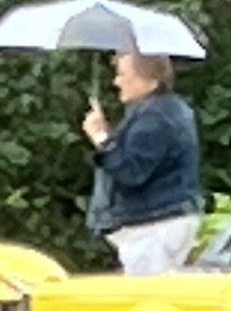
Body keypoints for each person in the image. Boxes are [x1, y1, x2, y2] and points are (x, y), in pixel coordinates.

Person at [84, 50, 203, 273]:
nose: (116, 82)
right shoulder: (162, 111)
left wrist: (101, 138)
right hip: (161, 222)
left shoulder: (154, 117)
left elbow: (131, 171)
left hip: (154, 227)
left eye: (122, 74)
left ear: (149, 79)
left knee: (148, 293)